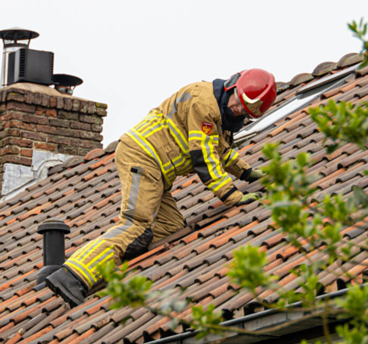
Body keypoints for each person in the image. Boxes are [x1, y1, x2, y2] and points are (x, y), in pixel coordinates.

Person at [45, 69, 277, 308]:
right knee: (136, 225)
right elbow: (204, 157)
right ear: (232, 86)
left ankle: (105, 269)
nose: (238, 109)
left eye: (245, 111)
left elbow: (222, 152)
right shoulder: (204, 103)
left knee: (171, 229)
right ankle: (73, 274)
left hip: (159, 171)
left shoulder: (223, 118)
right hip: (143, 155)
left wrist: (248, 173)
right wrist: (233, 196)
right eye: (238, 102)